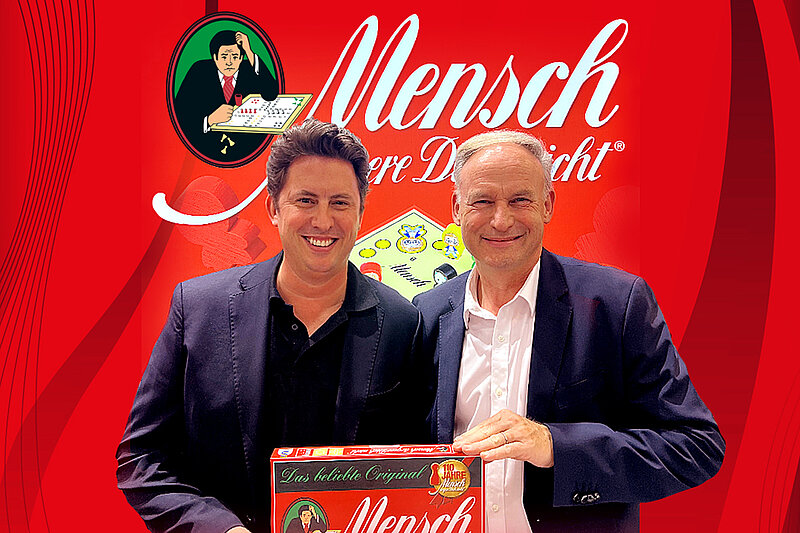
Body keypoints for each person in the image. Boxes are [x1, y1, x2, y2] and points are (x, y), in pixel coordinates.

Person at [117, 119, 430, 533]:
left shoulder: (404, 323)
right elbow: (142, 459)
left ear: (360, 212)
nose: (323, 221)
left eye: (340, 202)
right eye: (305, 200)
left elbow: (417, 468)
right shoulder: (198, 307)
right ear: (273, 208)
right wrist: (221, 529)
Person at [412, 130, 725, 532]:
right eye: (482, 201)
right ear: (458, 208)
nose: (501, 220)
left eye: (520, 200)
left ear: (547, 204)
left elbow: (696, 446)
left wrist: (556, 446)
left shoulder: (617, 303)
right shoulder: (427, 312)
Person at [174, 29, 279, 163]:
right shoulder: (199, 71)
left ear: (241, 57)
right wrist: (210, 120)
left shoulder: (250, 69)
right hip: (206, 149)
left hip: (247, 149)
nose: (229, 62)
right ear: (215, 57)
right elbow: (179, 114)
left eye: (235, 57)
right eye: (224, 57)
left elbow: (271, 94)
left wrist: (249, 51)